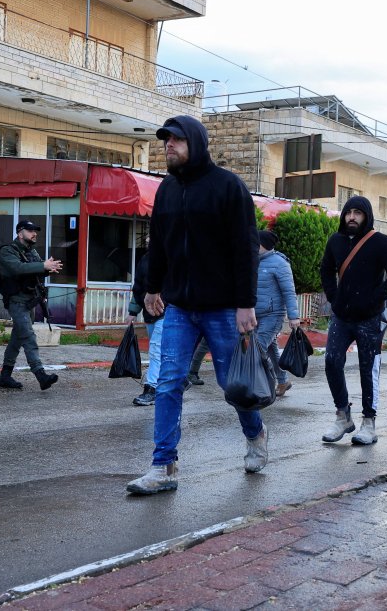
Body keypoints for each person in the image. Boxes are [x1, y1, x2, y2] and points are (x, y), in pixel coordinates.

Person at [126, 114, 264, 495]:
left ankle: (255, 434)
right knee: (168, 382)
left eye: (177, 140)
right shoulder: (167, 191)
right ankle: (163, 466)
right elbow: (159, 245)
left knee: (231, 385)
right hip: (180, 309)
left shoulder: (227, 187)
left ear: (196, 144)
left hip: (222, 307)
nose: (169, 145)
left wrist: (244, 303)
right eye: (166, 140)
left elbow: (244, 249)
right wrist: (151, 289)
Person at [319, 196, 387, 446]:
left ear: (366, 216)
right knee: (332, 361)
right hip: (342, 316)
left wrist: (374, 299)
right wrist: (334, 297)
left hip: (369, 318)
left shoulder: (381, 242)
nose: (352, 217)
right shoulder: (335, 241)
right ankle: (342, 416)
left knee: (368, 369)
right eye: (348, 213)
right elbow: (325, 269)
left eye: (357, 213)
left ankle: (369, 422)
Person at [0, 220, 62, 390]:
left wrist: (48, 269)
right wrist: (43, 265)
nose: (34, 234)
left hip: (29, 302)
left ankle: (5, 376)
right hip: (16, 302)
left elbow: (35, 271)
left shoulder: (31, 251)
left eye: (35, 231)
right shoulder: (7, 251)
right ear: (20, 233)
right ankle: (41, 375)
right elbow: (18, 268)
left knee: (16, 340)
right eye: (30, 230)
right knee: (28, 337)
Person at [255, 229, 301, 396]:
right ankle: (283, 381)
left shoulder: (280, 263)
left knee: (257, 349)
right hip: (255, 315)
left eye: (256, 242)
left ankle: (261, 387)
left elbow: (289, 291)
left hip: (272, 315)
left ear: (264, 245)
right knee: (271, 351)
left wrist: (294, 316)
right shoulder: (252, 261)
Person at [128, 243, 163, 406]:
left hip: (168, 312)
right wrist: (132, 312)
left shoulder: (174, 257)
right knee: (161, 352)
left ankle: (151, 389)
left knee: (156, 350)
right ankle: (176, 380)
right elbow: (138, 286)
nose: (149, 239)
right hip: (149, 314)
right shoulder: (145, 259)